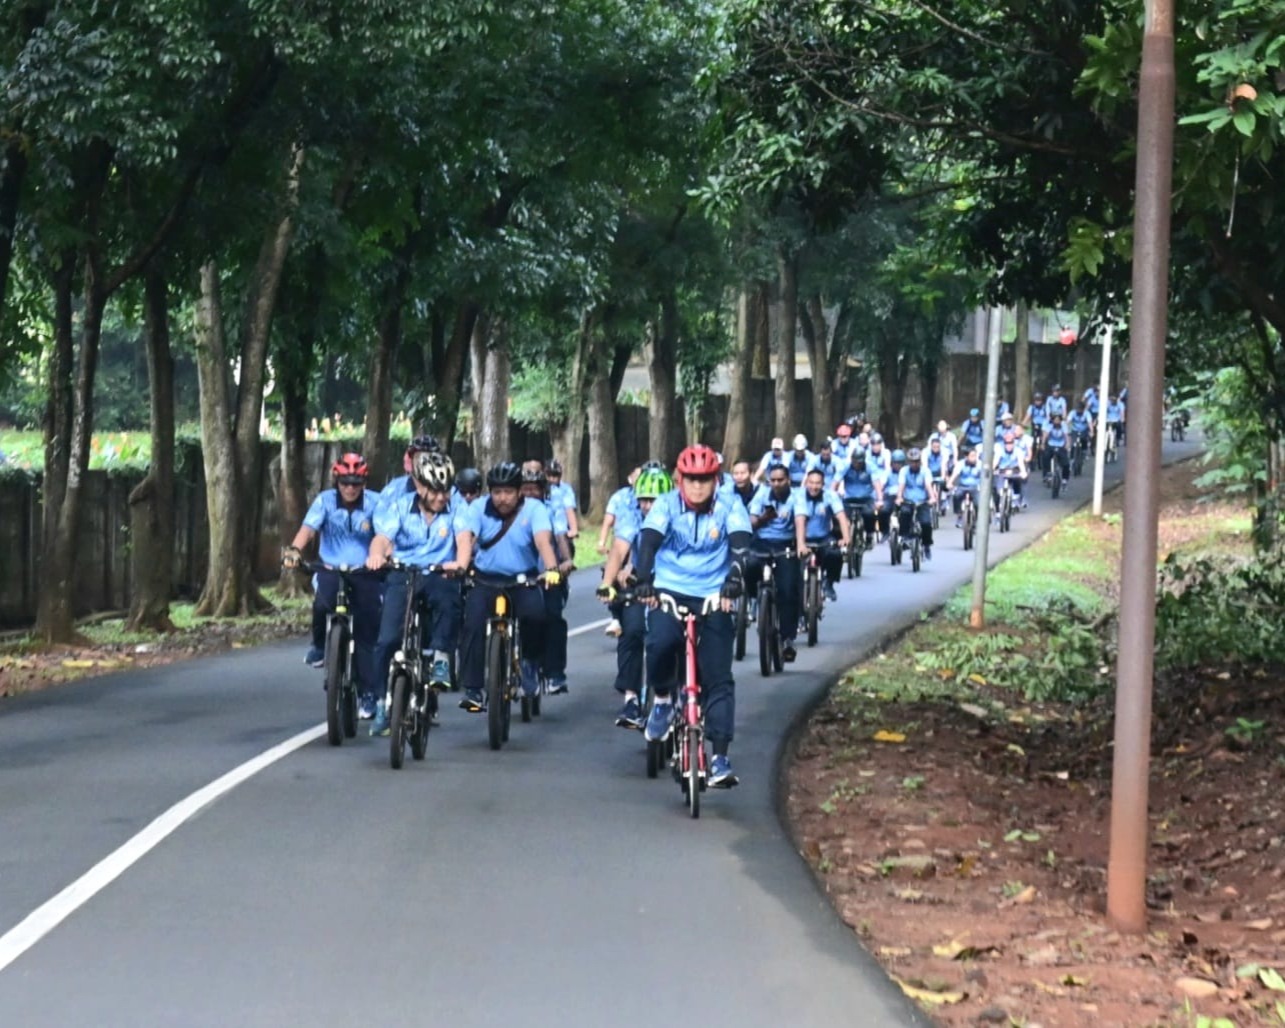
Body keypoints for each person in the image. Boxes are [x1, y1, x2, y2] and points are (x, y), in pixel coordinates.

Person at [631, 444, 751, 788]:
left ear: (716, 480)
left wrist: (735, 577)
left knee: (718, 675)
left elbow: (741, 544)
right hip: (670, 589)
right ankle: (664, 702)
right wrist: (643, 580)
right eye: (691, 480)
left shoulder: (730, 503)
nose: (698, 487)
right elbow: (649, 542)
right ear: (680, 479)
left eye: (705, 480)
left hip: (715, 593)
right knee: (658, 642)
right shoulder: (667, 504)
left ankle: (720, 756)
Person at [365, 451, 470, 735]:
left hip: (439, 572)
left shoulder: (457, 508)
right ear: (420, 486)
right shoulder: (400, 507)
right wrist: (376, 556)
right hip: (404, 572)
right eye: (434, 491)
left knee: (449, 601)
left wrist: (460, 563)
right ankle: (381, 704)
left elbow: (463, 540)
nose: (440, 497)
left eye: (445, 491)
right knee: (387, 640)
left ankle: (440, 660)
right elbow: (383, 539)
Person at [456, 462, 562, 713]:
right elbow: (467, 538)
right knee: (471, 624)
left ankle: (529, 664)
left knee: (536, 617)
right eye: (497, 492)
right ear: (489, 492)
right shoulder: (478, 508)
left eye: (508, 492)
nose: (502, 499)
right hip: (485, 579)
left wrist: (552, 569)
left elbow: (543, 541)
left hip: (522, 579)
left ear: (519, 492)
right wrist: (461, 564)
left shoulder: (534, 509)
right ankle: (472, 689)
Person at [282, 453, 382, 714]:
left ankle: (368, 693)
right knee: (320, 605)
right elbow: (308, 529)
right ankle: (318, 646)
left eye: (356, 483)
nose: (350, 488)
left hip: (364, 571)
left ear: (364, 482)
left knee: (366, 633)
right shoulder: (325, 501)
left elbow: (383, 535)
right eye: (345, 482)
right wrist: (295, 550)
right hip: (330, 568)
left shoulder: (375, 503)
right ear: (337, 481)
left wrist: (378, 555)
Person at [596, 466, 673, 729]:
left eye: (653, 500)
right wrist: (607, 583)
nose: (647, 506)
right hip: (640, 582)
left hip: (673, 584)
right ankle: (631, 699)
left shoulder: (678, 516)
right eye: (643, 499)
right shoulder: (630, 516)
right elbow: (619, 549)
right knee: (632, 631)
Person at [521, 461, 575, 695]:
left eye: (535, 488)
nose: (530, 493)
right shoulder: (512, 510)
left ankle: (555, 673)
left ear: (544, 490)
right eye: (526, 488)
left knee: (553, 617)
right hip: (518, 577)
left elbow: (561, 536)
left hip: (548, 574)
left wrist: (565, 561)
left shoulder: (552, 509)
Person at [748, 463, 803, 662]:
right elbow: (751, 520)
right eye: (773, 480)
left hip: (785, 544)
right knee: (750, 566)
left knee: (788, 590)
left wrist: (801, 544)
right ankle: (757, 603)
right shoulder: (762, 494)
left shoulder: (797, 496)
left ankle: (788, 638)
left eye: (781, 480)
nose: (777, 484)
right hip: (761, 543)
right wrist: (764, 518)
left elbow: (799, 520)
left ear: (788, 480)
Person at [796, 468, 850, 602]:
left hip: (823, 537)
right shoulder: (797, 495)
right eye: (811, 483)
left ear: (823, 484)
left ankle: (829, 584)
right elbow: (799, 519)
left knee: (835, 554)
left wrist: (846, 538)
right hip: (801, 538)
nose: (814, 487)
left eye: (817, 483)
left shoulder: (831, 495)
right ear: (806, 483)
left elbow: (841, 517)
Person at [377, 435, 443, 512]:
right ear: (410, 460)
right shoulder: (393, 490)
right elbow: (380, 517)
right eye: (418, 457)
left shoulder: (450, 493)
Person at [832, 448, 881, 549]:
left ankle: (869, 535)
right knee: (840, 517)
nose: (857, 465)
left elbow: (877, 484)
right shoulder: (845, 466)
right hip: (849, 498)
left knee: (869, 514)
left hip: (866, 498)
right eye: (854, 462)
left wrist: (879, 499)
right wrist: (831, 497)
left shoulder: (870, 466)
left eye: (859, 462)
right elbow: (835, 483)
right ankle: (842, 539)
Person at [894, 447, 937, 559]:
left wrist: (932, 497)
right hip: (908, 501)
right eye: (912, 461)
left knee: (926, 523)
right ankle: (904, 538)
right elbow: (901, 485)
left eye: (917, 461)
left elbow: (928, 485)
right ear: (908, 462)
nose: (914, 464)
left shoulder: (925, 471)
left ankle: (927, 545)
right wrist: (899, 497)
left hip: (922, 502)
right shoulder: (904, 471)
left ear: (920, 461)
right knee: (904, 515)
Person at [946, 446, 984, 527]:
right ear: (966, 457)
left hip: (975, 487)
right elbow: (955, 474)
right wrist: (950, 483)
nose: (974, 458)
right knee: (956, 496)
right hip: (962, 487)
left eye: (975, 455)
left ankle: (977, 519)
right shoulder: (961, 464)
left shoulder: (980, 464)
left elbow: (984, 476)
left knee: (978, 503)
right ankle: (959, 515)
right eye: (972, 456)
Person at [545, 459, 580, 545]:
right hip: (544, 526)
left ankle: (566, 557)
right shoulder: (541, 488)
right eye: (549, 475)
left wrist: (573, 529)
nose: (552, 478)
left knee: (562, 539)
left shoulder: (566, 489)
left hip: (560, 527)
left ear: (560, 476)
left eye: (555, 475)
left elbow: (569, 509)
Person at [994, 432, 1029, 509]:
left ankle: (1020, 498)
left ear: (1014, 443)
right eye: (1007, 443)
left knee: (1020, 480)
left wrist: (1023, 472)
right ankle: (1000, 502)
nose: (1009, 445)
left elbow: (1021, 463)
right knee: (997, 485)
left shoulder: (1018, 450)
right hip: (1002, 471)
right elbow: (995, 462)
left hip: (1014, 470)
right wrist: (992, 470)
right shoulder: (999, 450)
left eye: (1011, 443)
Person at [1042, 411, 1071, 484]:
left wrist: (1067, 444)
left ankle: (1065, 479)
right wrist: (1042, 443)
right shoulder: (1050, 425)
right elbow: (1045, 435)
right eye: (1055, 420)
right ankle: (1047, 474)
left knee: (1066, 463)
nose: (1057, 421)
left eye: (1058, 420)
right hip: (1051, 445)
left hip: (1061, 446)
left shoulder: (1063, 425)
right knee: (1045, 457)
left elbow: (1066, 436)